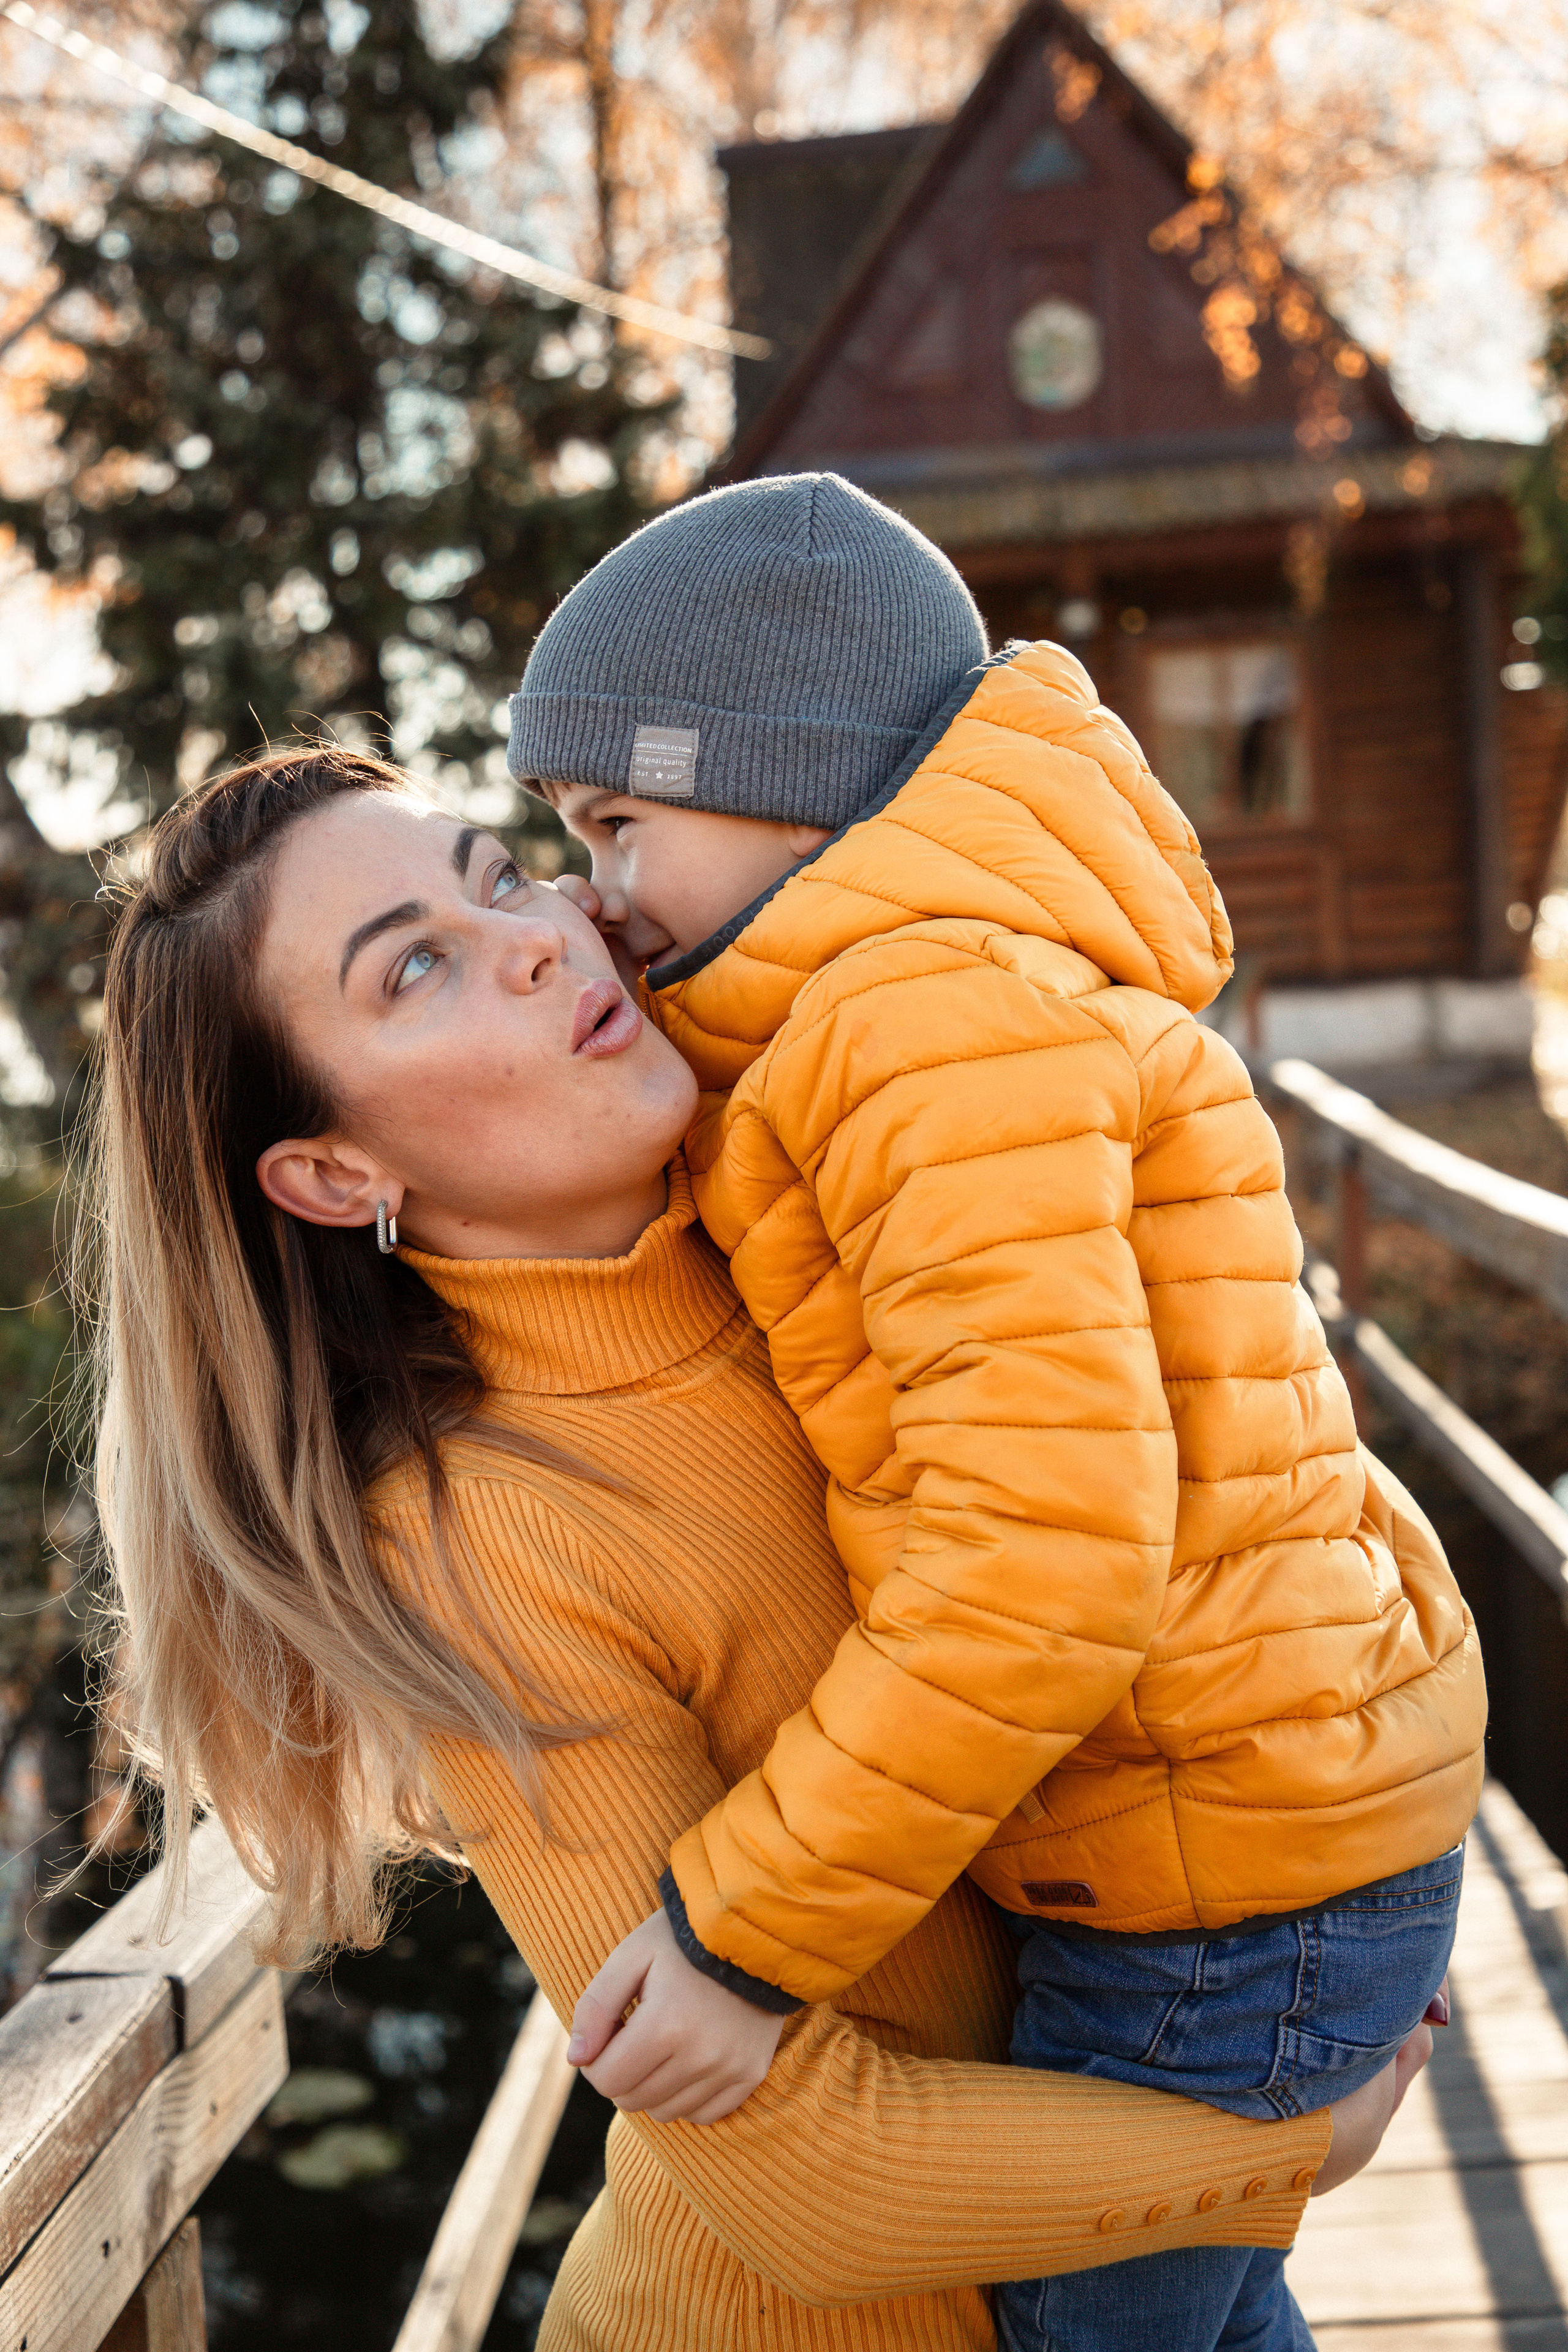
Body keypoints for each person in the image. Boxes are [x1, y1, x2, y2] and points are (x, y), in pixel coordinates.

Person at [86, 745, 1432, 2352]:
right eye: (419, 967)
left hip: (1151, 2243)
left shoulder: (817, 1210)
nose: (531, 937)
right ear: (333, 1172)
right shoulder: (474, 1538)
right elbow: (803, 2176)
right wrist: (1294, 2150)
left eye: (500, 873)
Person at [507, 472, 1486, 2352]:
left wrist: (738, 1941)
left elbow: (1041, 1554)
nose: (601, 902)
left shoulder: (914, 1033)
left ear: (787, 778)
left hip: (1215, 1885)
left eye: (618, 822)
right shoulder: (926, 1005)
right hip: (1260, 1827)